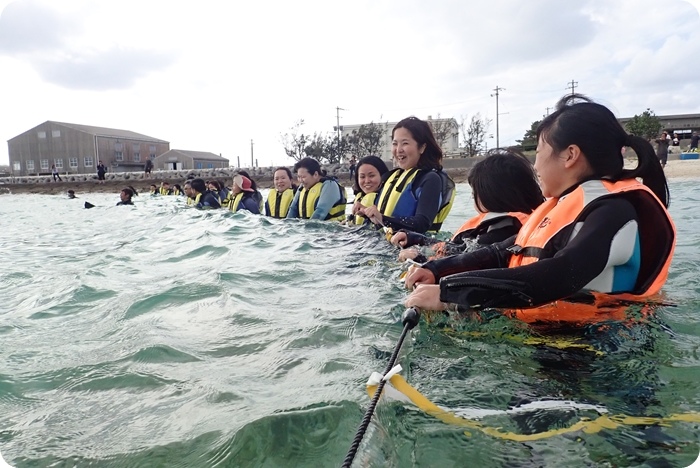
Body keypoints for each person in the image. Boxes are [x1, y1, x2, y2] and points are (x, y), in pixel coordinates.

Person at [404, 94, 675, 325]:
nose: (535, 165)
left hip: (597, 350)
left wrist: (449, 292)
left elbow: (560, 274)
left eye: (540, 151)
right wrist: (437, 269)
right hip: (551, 335)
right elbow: (500, 252)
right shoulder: (557, 209)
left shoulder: (613, 213)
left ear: (570, 155)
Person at [392, 149, 544, 262]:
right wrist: (415, 238)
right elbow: (457, 247)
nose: (473, 196)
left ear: (492, 194)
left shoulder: (504, 232)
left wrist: (418, 259)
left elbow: (465, 262)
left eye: (476, 191)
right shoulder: (516, 224)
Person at [359, 117, 455, 234]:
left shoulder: (431, 179)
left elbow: (422, 223)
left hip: (414, 249)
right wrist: (366, 213)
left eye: (405, 143)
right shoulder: (391, 178)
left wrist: (383, 219)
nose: (398, 150)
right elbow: (381, 220)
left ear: (422, 147)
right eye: (395, 143)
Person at [350, 156, 389, 225]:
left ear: (382, 175)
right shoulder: (359, 198)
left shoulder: (389, 199)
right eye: (362, 177)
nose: (367, 181)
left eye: (371, 176)